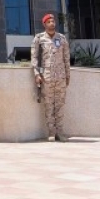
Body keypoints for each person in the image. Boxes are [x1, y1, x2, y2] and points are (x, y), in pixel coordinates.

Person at [31, 13, 70, 142]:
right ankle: (51, 132)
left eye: (53, 21)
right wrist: (37, 74)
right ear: (44, 24)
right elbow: (34, 57)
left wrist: (68, 75)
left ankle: (60, 132)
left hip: (61, 77)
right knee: (48, 105)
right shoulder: (39, 38)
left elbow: (66, 58)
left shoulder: (62, 38)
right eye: (49, 22)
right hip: (46, 77)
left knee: (60, 104)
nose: (52, 23)